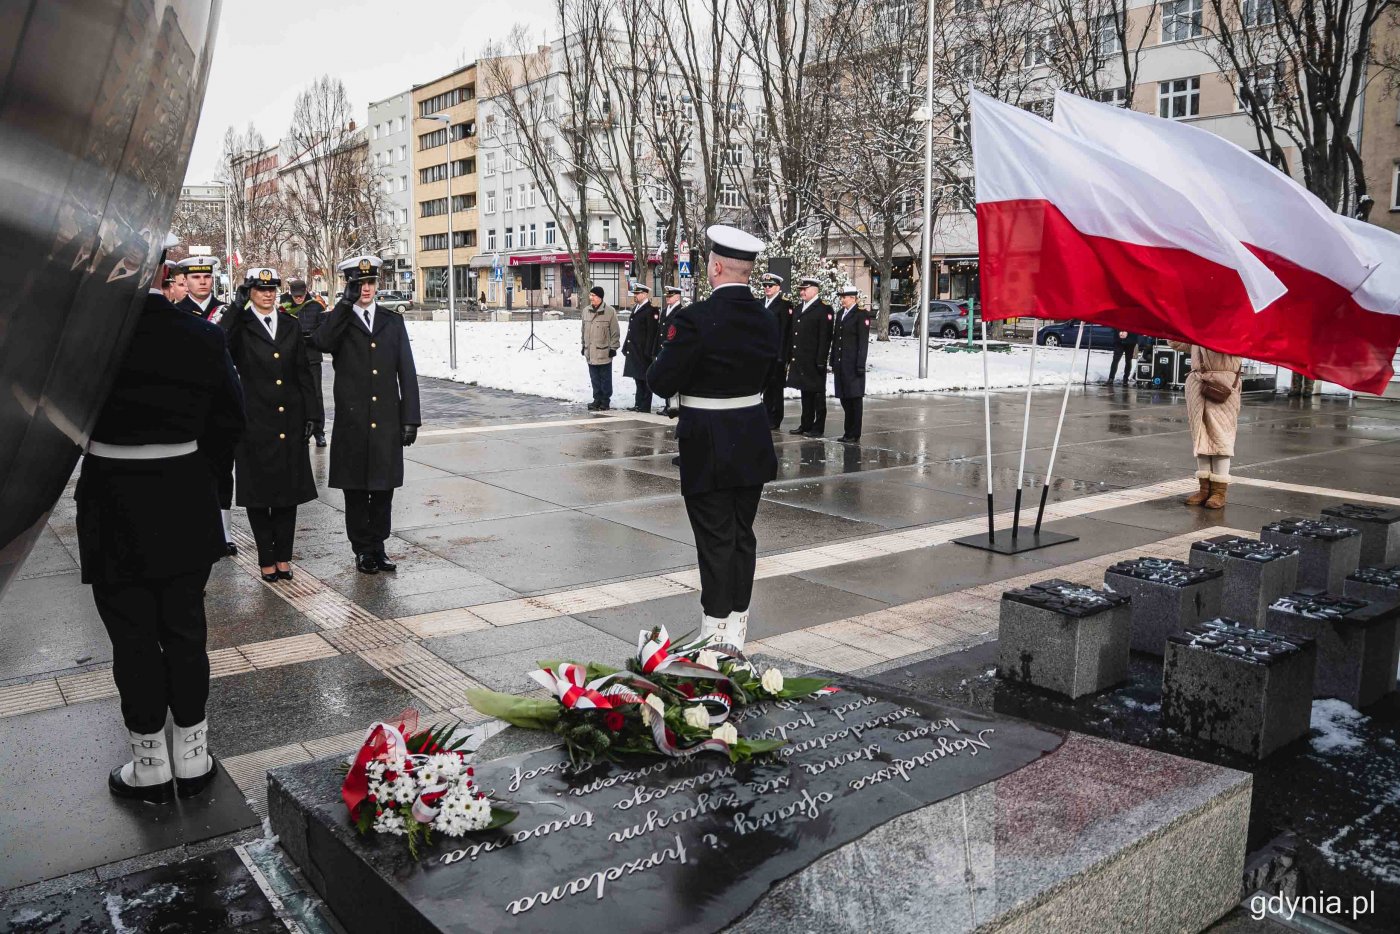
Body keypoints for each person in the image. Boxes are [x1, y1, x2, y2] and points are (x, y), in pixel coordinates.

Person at [78, 234, 246, 803]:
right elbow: (231, 420)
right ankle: (193, 756)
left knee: (132, 637)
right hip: (182, 500)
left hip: (112, 503)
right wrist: (198, 471)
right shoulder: (201, 334)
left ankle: (148, 761)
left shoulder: (86, 338)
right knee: (184, 628)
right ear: (161, 271)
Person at [647, 225, 780, 650]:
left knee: (716, 540)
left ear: (716, 267)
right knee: (742, 535)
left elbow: (661, 380)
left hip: (708, 443)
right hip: (753, 439)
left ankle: (715, 633)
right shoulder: (766, 318)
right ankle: (737, 629)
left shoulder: (695, 319)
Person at [314, 255, 422, 574]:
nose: (366, 289)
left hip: (387, 420)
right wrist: (343, 307)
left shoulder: (393, 322)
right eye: (359, 283)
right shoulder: (339, 320)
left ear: (378, 284)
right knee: (357, 492)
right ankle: (362, 549)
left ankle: (379, 545)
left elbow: (407, 372)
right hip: (353, 422)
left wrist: (410, 419)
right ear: (350, 286)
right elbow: (321, 342)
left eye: (371, 282)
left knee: (383, 489)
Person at [221, 268, 322, 582]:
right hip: (253, 422)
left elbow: (304, 373)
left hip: (288, 420)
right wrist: (236, 308)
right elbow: (219, 342)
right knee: (258, 495)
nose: (267, 294)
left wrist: (313, 415)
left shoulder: (290, 325)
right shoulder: (241, 325)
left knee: (287, 493)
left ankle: (284, 558)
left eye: (271, 289)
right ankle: (266, 557)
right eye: (260, 289)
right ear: (250, 291)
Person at [1170, 340, 1240, 510]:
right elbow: (1177, 344)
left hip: (1223, 383)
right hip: (1197, 384)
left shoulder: (1234, 328)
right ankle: (1205, 489)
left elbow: (1239, 345)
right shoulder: (1198, 328)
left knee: (1221, 436)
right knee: (1200, 435)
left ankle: (1219, 491)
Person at [281, 277, 328, 447]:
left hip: (312, 357)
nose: (299, 298)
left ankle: (319, 432)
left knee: (316, 395)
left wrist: (312, 337)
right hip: (291, 358)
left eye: (301, 295)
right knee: (294, 395)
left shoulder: (316, 306)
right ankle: (300, 430)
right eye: (296, 296)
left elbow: (324, 333)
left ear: (306, 291)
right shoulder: (283, 308)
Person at [786, 276, 833, 437]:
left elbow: (824, 337)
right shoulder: (799, 308)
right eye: (800, 289)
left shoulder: (823, 309)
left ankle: (818, 427)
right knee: (805, 393)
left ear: (815, 290)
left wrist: (821, 360)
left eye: (805, 289)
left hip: (815, 360)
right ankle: (805, 424)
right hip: (801, 359)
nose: (802, 292)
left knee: (818, 395)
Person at [830, 287, 870, 443]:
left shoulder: (861, 315)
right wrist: (833, 359)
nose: (842, 299)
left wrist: (860, 363)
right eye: (841, 297)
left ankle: (854, 433)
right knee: (844, 399)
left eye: (845, 297)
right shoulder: (840, 314)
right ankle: (848, 432)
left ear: (853, 298)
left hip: (853, 365)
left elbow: (863, 342)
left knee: (854, 400)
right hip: (841, 364)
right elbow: (836, 340)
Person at [759, 273, 794, 430]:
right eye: (765, 285)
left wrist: (783, 356)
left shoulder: (784, 305)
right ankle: (765, 415)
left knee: (776, 387)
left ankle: (775, 417)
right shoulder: (760, 303)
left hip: (776, 354)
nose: (767, 288)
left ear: (778, 287)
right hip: (763, 354)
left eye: (770, 285)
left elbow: (786, 332)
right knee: (765, 387)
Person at [621, 282, 659, 412]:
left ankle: (645, 405)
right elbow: (631, 329)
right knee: (637, 377)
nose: (635, 296)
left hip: (644, 351)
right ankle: (638, 403)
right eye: (635, 293)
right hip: (635, 349)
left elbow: (651, 333)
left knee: (645, 378)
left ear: (645, 294)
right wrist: (626, 344)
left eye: (638, 293)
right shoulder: (636, 308)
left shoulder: (651, 310)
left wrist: (649, 351)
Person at [581, 285, 620, 411]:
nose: (591, 298)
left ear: (600, 297)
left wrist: (613, 347)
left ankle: (605, 401)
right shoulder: (586, 310)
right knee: (594, 378)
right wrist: (583, 345)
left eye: (593, 296)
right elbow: (583, 330)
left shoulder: (610, 311)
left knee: (605, 379)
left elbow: (615, 331)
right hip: (590, 352)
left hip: (604, 351)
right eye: (590, 295)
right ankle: (596, 399)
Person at [654, 286, 684, 416]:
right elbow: (660, 332)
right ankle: (668, 405)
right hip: (664, 348)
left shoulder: (681, 311)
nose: (668, 298)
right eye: (667, 296)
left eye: (670, 296)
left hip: (674, 350)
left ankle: (675, 406)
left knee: (673, 378)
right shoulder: (665, 310)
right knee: (666, 377)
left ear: (677, 297)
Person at [176, 255, 227, 322]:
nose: (202, 282)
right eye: (196, 277)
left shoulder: (226, 311)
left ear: (212, 280)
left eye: (207, 277)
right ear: (185, 281)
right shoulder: (175, 312)